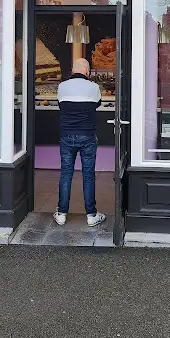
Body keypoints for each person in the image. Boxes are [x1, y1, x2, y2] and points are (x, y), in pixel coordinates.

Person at [54, 57, 106, 227]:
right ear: (87, 71)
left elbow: (62, 106)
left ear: (72, 70)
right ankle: (91, 215)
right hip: (87, 136)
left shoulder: (62, 87)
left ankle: (61, 214)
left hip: (67, 136)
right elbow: (97, 104)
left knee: (66, 174)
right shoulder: (94, 87)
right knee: (88, 176)